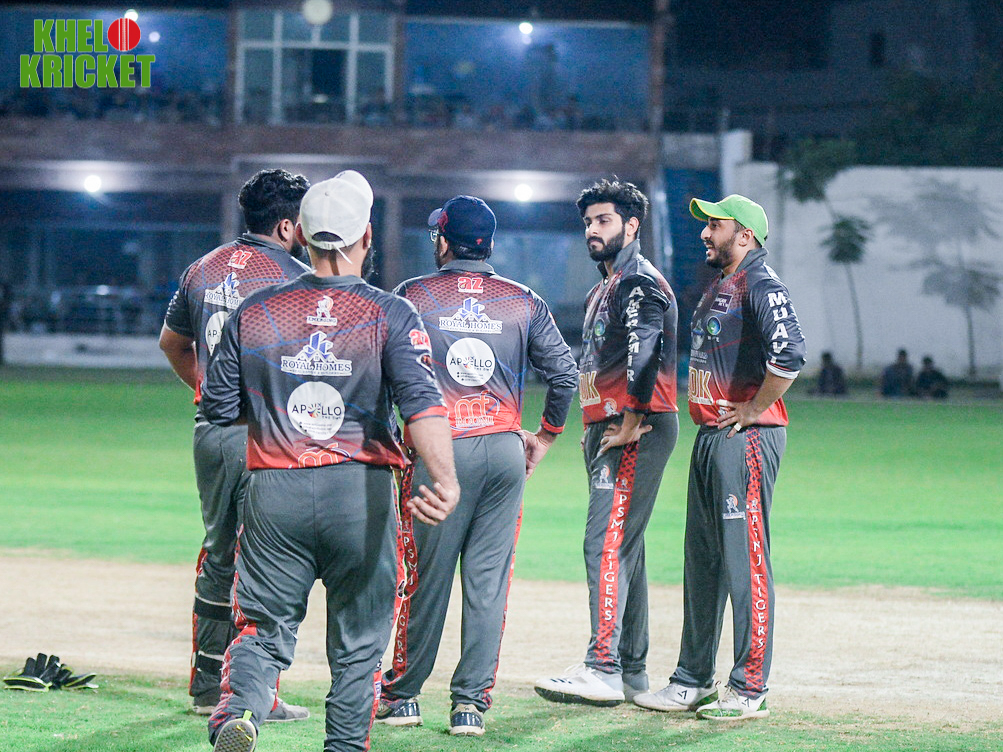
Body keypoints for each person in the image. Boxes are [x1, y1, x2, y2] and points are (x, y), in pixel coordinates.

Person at [199, 170, 460, 752]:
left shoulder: (255, 309)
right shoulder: (391, 313)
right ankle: (343, 746)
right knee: (360, 641)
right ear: (365, 235)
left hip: (275, 489)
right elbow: (422, 406)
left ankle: (240, 711)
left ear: (304, 237)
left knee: (261, 626)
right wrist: (445, 479)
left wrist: (278, 413)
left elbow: (217, 406)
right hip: (359, 494)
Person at [377, 196, 578, 735]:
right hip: (504, 450)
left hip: (440, 451)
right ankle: (469, 705)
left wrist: (394, 439)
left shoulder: (413, 295)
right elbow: (565, 375)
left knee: (424, 578)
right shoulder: (523, 299)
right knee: (488, 584)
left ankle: (404, 696)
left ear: (444, 241)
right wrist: (545, 436)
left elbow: (381, 375)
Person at [633, 194, 805, 721]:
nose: (705, 233)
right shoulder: (720, 287)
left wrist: (755, 407)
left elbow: (790, 353)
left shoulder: (762, 284)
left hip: (746, 438)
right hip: (711, 436)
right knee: (703, 561)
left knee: (744, 560)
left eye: (716, 225)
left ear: (745, 235)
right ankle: (692, 681)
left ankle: (750, 689)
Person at [159, 168, 312, 721]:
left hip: (210, 432)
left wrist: (208, 392)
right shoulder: (297, 278)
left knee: (218, 552)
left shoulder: (201, 268)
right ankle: (251, 693)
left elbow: (171, 343)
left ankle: (206, 685)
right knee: (267, 562)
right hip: (266, 436)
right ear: (288, 225)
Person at [534, 178, 679, 706]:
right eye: (588, 222)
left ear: (631, 225)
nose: (592, 230)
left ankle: (603, 668)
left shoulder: (637, 281)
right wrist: (593, 424)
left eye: (603, 221)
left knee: (606, 544)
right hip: (612, 425)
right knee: (625, 547)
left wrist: (629, 419)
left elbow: (646, 350)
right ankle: (631, 670)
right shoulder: (608, 284)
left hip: (634, 428)